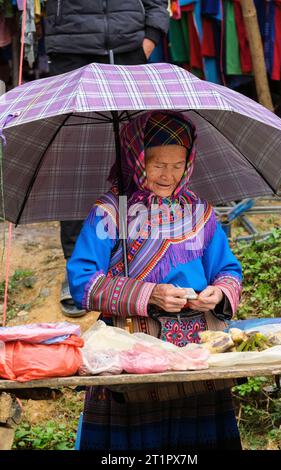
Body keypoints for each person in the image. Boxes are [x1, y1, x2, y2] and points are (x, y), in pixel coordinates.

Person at [67, 111, 243, 451]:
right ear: (136, 159)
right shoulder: (110, 213)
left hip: (198, 351)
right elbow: (83, 282)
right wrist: (149, 294)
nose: (169, 175)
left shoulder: (200, 213)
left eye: (178, 164)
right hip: (132, 350)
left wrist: (218, 293)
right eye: (157, 164)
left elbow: (228, 270)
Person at [44, 0, 170, 317]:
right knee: (75, 159)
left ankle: (136, 261)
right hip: (72, 50)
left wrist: (148, 39)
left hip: (128, 48)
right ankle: (78, 271)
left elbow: (158, 2)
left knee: (134, 156)